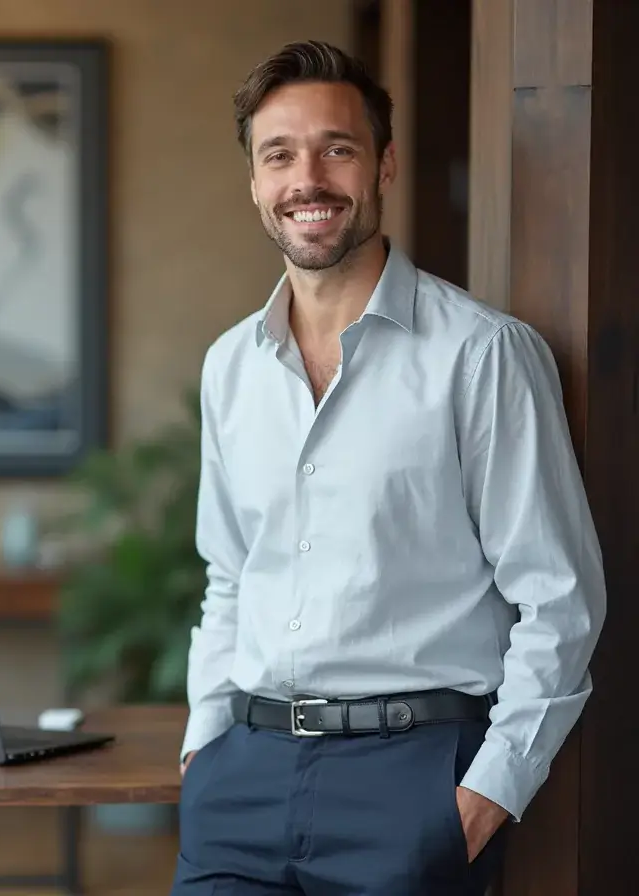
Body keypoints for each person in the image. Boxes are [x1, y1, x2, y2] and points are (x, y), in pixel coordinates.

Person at [174, 39, 606, 896]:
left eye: (337, 148)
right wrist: (204, 742)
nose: (309, 178)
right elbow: (229, 575)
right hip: (242, 781)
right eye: (280, 154)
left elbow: (561, 598)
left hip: (410, 780)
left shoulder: (481, 356)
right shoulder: (231, 366)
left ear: (384, 165)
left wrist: (488, 792)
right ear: (255, 183)